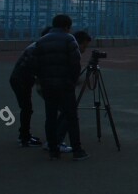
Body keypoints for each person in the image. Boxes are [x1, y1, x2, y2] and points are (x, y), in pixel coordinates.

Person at [30, 14, 89, 161]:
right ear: (67, 26)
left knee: (50, 117)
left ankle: (53, 151)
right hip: (65, 85)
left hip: (47, 85)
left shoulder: (41, 41)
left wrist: (43, 80)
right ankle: (77, 150)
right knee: (71, 117)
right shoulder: (70, 40)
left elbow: (35, 64)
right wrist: (72, 82)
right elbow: (75, 63)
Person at [50, 31, 92, 154]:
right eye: (84, 46)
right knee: (69, 114)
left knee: (61, 113)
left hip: (48, 85)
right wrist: (79, 82)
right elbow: (71, 72)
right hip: (58, 86)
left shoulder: (59, 46)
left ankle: (53, 141)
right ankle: (57, 143)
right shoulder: (71, 51)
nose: (84, 50)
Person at [9, 27, 51, 148]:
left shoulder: (36, 46)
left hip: (21, 79)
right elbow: (37, 68)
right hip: (21, 80)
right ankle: (24, 137)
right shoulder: (38, 48)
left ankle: (25, 135)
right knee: (26, 108)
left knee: (26, 108)